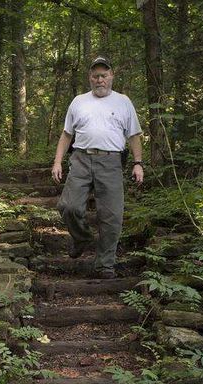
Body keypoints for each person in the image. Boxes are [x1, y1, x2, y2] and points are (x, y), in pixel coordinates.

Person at [51, 56, 143, 279]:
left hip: (111, 162)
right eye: (95, 76)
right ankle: (82, 238)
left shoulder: (123, 102)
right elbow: (66, 134)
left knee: (111, 216)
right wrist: (57, 161)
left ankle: (105, 265)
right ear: (89, 78)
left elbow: (133, 135)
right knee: (68, 206)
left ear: (111, 76)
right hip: (81, 159)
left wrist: (138, 163)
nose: (99, 80)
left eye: (104, 75)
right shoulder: (78, 101)